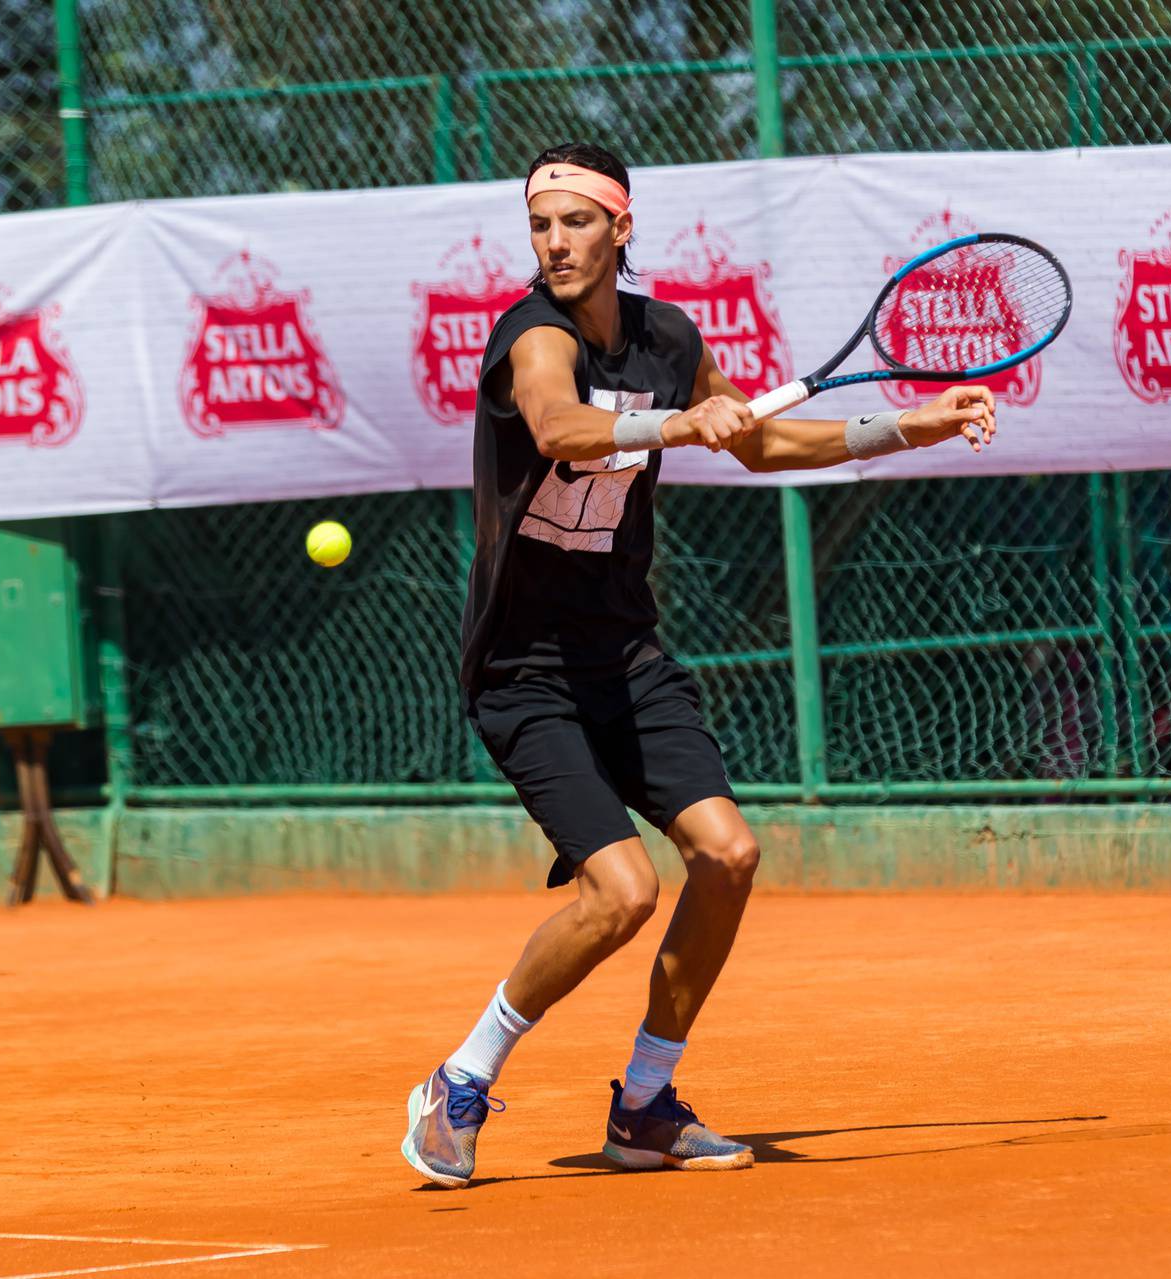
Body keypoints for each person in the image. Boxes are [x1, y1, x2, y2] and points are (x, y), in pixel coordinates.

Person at [401, 141, 997, 1188]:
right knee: (620, 893)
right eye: (539, 224)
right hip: (524, 669)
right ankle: (461, 1078)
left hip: (624, 654)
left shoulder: (669, 335)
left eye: (575, 222)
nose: (554, 243)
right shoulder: (530, 336)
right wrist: (681, 422)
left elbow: (764, 446)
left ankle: (644, 1104)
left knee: (727, 855)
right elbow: (560, 425)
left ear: (620, 229)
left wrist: (907, 425)